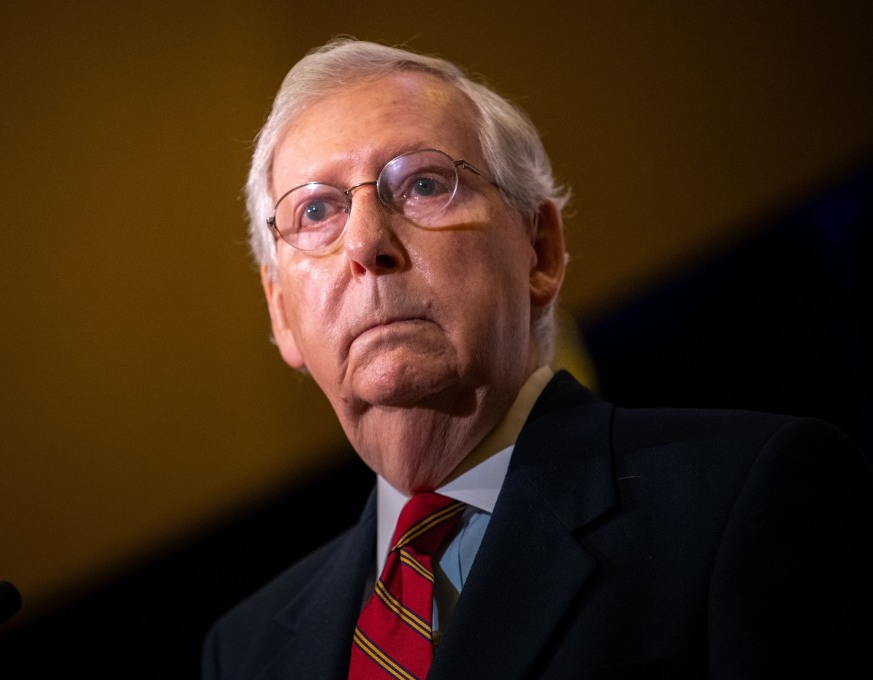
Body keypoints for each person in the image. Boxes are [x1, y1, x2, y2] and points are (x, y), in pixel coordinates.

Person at [201, 37, 873, 679]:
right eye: (317, 209)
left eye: (423, 185)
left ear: (541, 251)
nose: (368, 243)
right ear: (281, 313)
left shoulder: (743, 500)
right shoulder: (246, 650)